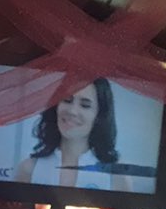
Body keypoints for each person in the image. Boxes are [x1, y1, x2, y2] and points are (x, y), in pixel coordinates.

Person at [12, 78, 147, 195]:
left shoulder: (117, 176)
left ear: (99, 116)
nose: (72, 111)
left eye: (85, 105)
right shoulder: (28, 168)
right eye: (67, 100)